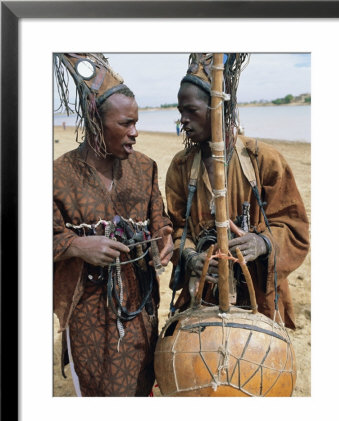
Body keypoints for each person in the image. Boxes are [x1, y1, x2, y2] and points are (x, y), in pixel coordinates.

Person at [53, 53, 173, 396]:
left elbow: (160, 220)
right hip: (88, 313)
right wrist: (77, 245)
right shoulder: (58, 175)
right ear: (95, 121)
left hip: (141, 308)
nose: (135, 133)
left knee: (141, 387)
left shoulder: (145, 168)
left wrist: (165, 241)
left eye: (136, 122)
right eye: (126, 123)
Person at [166, 53, 309, 329]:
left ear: (217, 108)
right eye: (180, 110)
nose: (182, 120)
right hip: (203, 297)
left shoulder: (263, 160)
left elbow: (295, 228)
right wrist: (191, 256)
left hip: (258, 296)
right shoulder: (181, 167)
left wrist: (262, 243)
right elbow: (173, 229)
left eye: (191, 110)